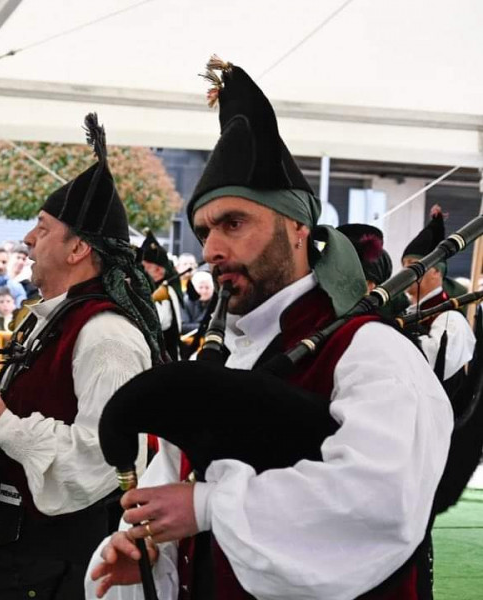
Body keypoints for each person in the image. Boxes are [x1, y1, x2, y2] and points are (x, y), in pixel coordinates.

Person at [88, 57, 452, 600]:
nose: (211, 250)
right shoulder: (220, 359)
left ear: (298, 227)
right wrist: (148, 551)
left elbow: (380, 503)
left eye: (234, 223)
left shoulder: (372, 353)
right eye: (206, 230)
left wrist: (210, 507)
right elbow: (171, 498)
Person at [0, 113, 161, 600]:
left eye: (43, 228)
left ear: (77, 248)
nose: (29, 240)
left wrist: (5, 425)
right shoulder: (55, 318)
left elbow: (104, 457)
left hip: (62, 568)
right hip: (24, 556)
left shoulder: (105, 334)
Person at [401, 206, 475, 387]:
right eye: (404, 264)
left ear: (436, 272)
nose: (405, 271)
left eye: (413, 264)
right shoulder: (404, 312)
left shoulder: (451, 318)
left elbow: (434, 364)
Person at [137, 230, 185, 360]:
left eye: (145, 268)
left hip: (166, 359)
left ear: (158, 270)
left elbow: (160, 322)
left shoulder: (165, 292)